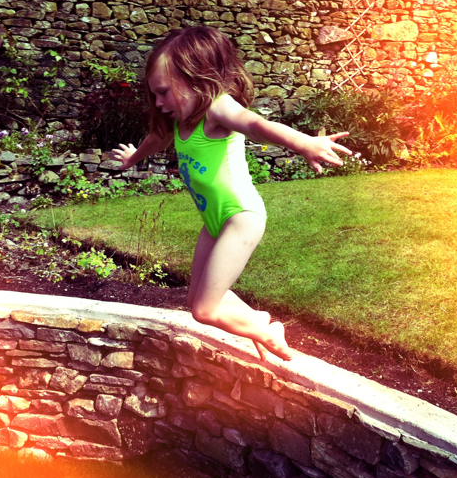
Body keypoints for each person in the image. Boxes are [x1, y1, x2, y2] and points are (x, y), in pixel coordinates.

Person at [112, 26, 351, 362]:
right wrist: (132, 159)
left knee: (205, 311)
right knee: (197, 299)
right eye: (154, 95)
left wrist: (302, 142)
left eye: (164, 92)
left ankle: (267, 331)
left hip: (240, 217)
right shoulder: (181, 120)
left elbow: (254, 124)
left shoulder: (217, 109)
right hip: (214, 221)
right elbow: (155, 139)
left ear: (196, 78)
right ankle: (255, 320)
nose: (159, 102)